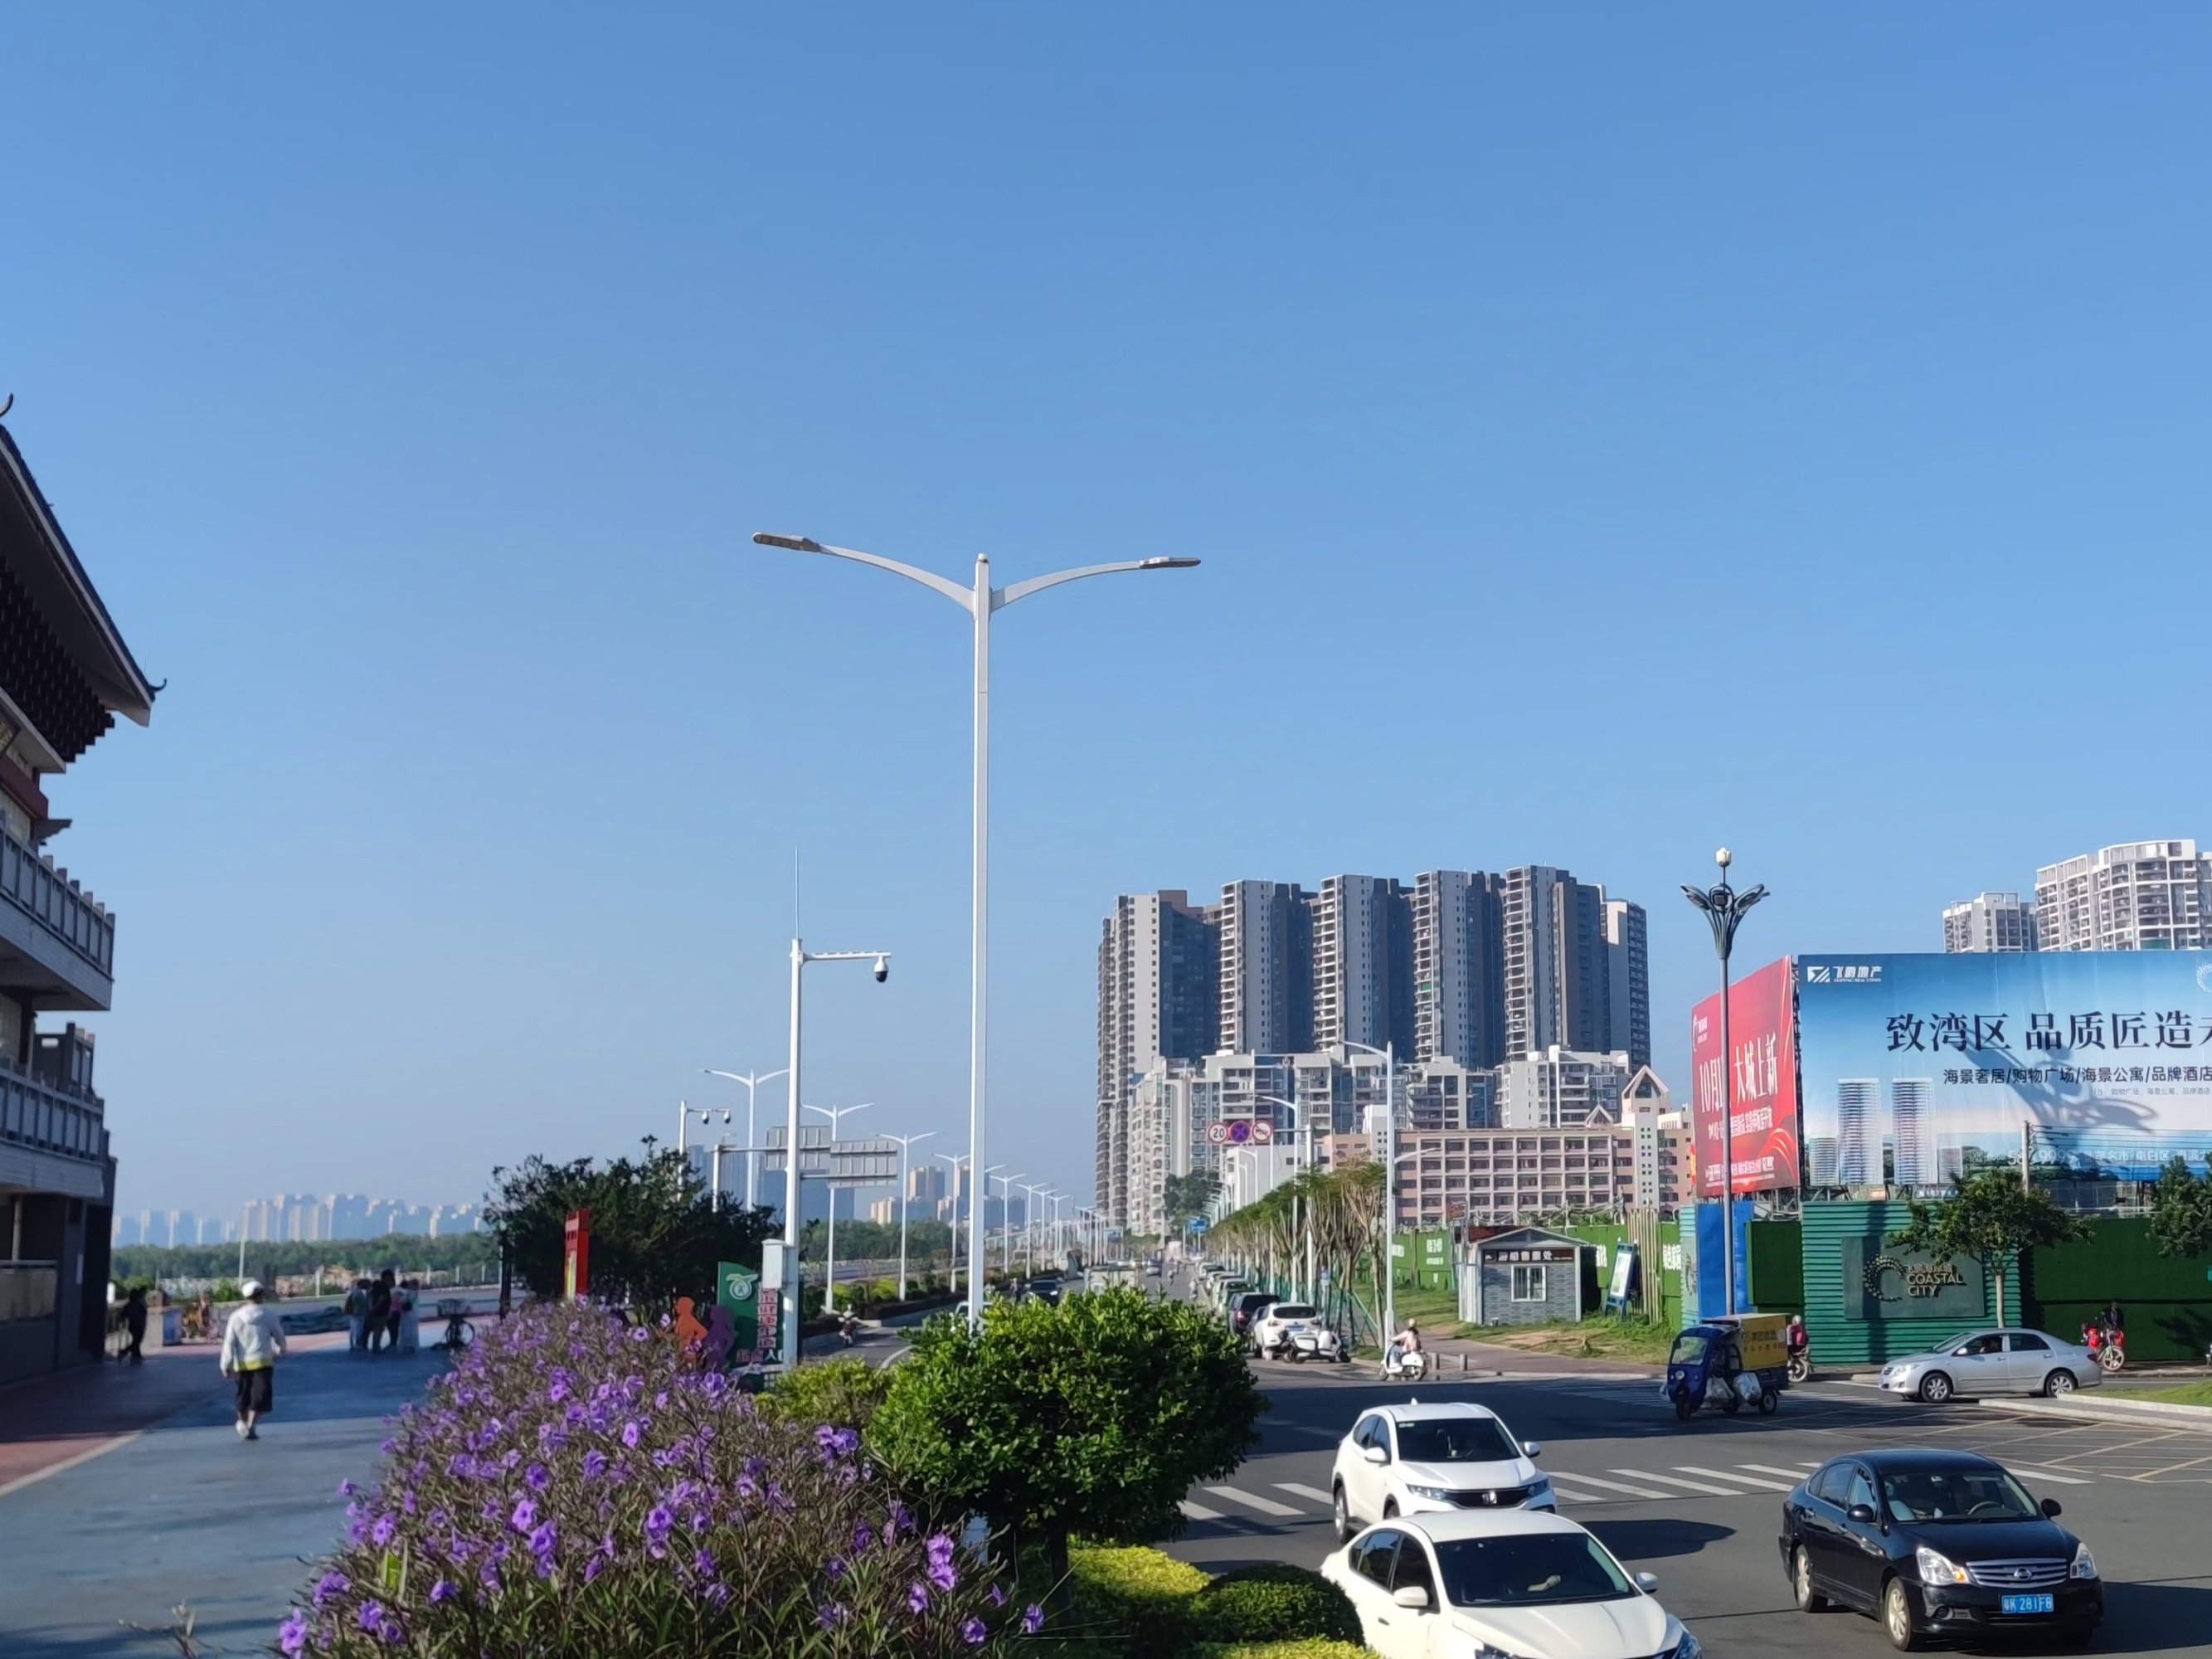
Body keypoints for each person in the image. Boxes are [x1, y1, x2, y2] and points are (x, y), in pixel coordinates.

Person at [219, 1280, 287, 1441]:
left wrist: (225, 1363)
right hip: (263, 1362)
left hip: (241, 1364)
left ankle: (242, 1423)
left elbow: (229, 1342)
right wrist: (281, 1348)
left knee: (242, 1395)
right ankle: (251, 1426)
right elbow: (279, 1335)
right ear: (261, 1295)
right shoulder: (269, 1315)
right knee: (259, 1396)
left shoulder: (236, 1317)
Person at [367, 1270, 394, 1354]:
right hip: (381, 1311)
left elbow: (371, 1297)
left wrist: (372, 1308)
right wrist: (376, 1307)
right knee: (378, 1330)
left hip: (376, 1311)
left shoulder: (376, 1286)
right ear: (387, 1278)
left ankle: (375, 1347)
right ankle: (376, 1348)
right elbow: (382, 1298)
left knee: (377, 1329)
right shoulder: (384, 1287)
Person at [121, 1287, 148, 1365]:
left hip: (134, 1324)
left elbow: (124, 1314)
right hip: (137, 1324)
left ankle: (136, 1354)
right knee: (137, 1340)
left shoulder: (132, 1303)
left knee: (137, 1340)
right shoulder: (137, 1303)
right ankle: (125, 1351)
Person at [396, 1278, 421, 1355]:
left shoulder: (409, 1293)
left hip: (407, 1314)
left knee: (406, 1330)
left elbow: (402, 1301)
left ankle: (406, 1346)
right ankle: (414, 1346)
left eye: (410, 1284)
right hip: (414, 1314)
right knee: (413, 1330)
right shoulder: (415, 1293)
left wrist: (400, 1297)